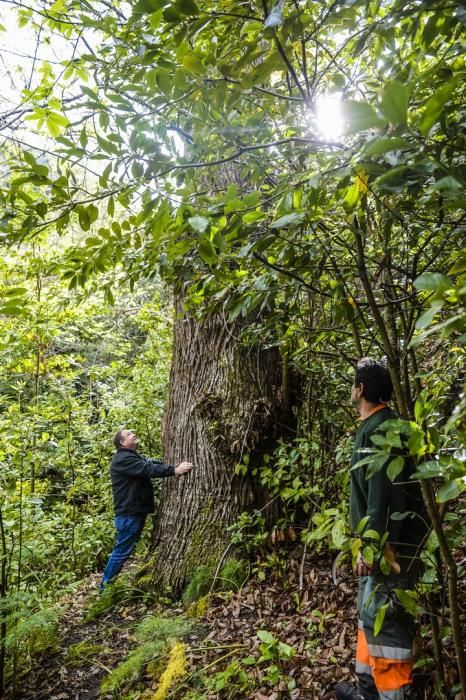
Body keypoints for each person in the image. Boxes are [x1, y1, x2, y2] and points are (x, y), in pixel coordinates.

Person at [335, 358, 428, 700]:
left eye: (354, 384)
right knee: (369, 614)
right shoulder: (376, 425)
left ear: (359, 389)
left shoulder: (381, 430)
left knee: (385, 621)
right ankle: (367, 689)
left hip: (390, 547)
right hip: (380, 542)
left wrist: (372, 547)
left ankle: (390, 696)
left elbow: (382, 496)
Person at [100, 429, 193, 589]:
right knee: (121, 551)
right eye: (129, 434)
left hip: (133, 513)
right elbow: (147, 470)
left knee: (123, 550)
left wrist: (170, 466)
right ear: (122, 443)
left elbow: (149, 464)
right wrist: (174, 470)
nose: (134, 434)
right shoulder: (122, 459)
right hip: (129, 515)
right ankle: (105, 588)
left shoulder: (131, 457)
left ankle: (106, 587)